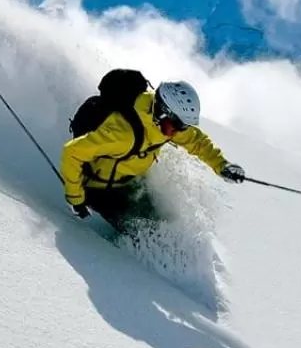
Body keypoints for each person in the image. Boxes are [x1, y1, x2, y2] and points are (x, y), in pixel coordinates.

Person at [60, 78, 245, 232]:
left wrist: (222, 165)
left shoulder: (164, 126)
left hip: (130, 183)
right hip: (100, 190)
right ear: (162, 113)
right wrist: (76, 199)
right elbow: (72, 152)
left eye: (184, 126)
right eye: (176, 125)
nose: (177, 132)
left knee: (166, 223)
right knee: (142, 234)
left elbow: (196, 141)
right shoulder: (124, 134)